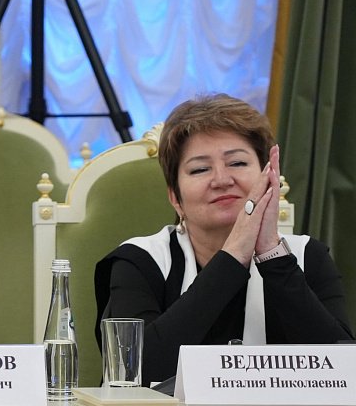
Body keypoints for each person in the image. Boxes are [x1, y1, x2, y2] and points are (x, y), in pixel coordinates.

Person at [94, 94, 354, 388]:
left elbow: (344, 372)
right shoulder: (139, 262)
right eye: (200, 169)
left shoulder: (307, 257)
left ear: (270, 179)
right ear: (175, 198)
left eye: (237, 162)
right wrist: (232, 257)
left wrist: (272, 255)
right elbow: (133, 373)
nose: (221, 179)